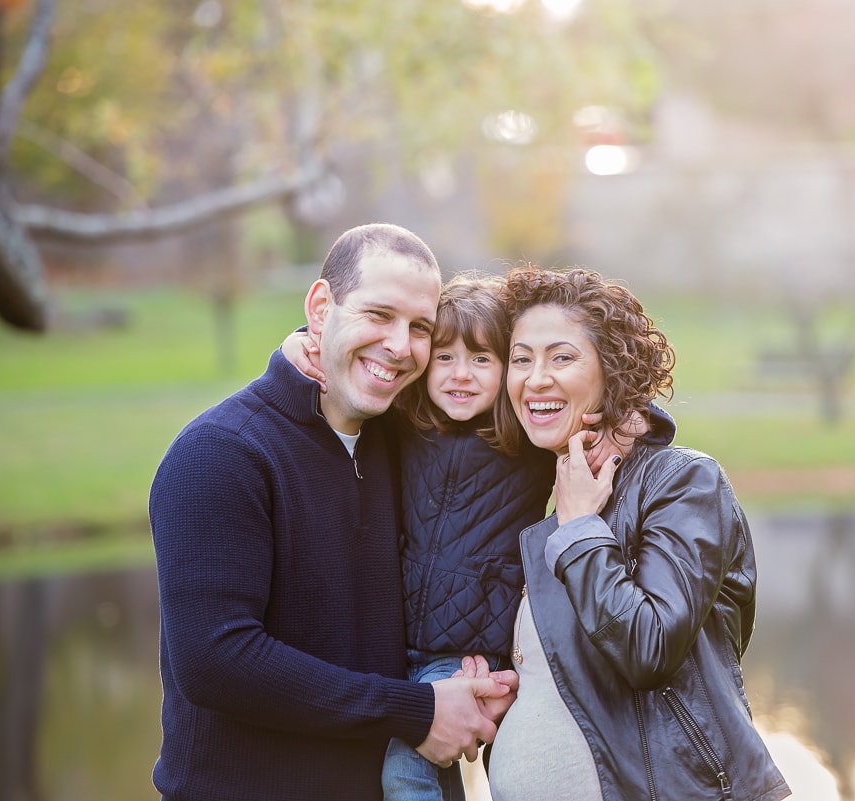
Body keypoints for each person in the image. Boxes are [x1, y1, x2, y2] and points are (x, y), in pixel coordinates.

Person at [148, 223, 517, 801]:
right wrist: (416, 711)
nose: (400, 346)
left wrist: (471, 676)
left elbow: (538, 381)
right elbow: (215, 661)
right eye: (378, 315)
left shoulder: (404, 437)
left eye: (421, 327)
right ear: (321, 307)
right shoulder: (219, 454)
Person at [280, 270, 675, 801]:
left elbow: (628, 411)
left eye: (482, 359)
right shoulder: (404, 424)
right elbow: (362, 362)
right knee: (421, 767)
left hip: (473, 650)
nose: (460, 375)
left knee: (409, 769)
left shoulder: (521, 437)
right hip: (399, 648)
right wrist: (295, 344)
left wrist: (625, 422)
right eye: (444, 357)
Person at [482, 265, 792, 801]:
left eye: (562, 357)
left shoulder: (683, 482)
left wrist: (580, 529)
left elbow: (648, 647)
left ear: (612, 371)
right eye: (521, 359)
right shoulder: (550, 500)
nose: (535, 379)